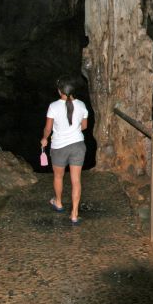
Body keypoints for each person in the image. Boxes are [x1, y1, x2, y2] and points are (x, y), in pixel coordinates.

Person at [40, 78, 88, 225]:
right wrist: (71, 132)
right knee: (76, 180)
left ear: (59, 91)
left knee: (58, 177)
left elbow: (48, 128)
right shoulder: (81, 105)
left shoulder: (53, 106)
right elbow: (84, 127)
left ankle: (59, 203)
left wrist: (44, 138)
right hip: (78, 146)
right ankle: (74, 214)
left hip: (59, 146)